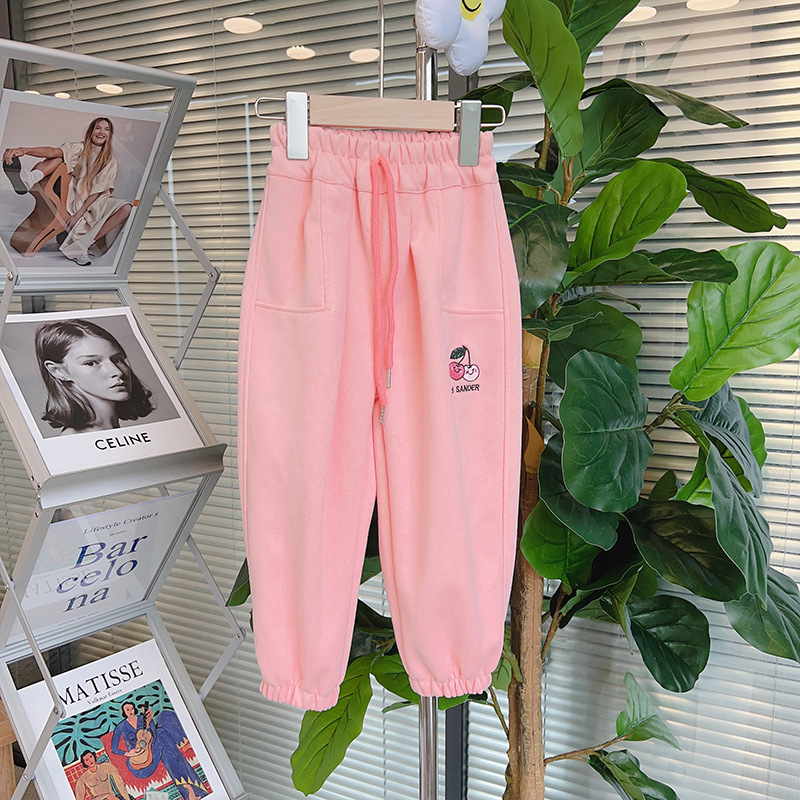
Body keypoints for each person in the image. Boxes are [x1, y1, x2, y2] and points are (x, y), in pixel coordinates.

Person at [2, 117, 132, 265]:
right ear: (91, 131)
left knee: (126, 208)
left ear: (110, 135)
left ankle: (84, 244)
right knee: (60, 156)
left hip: (96, 200)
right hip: (74, 195)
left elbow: (98, 191)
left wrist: (79, 214)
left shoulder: (110, 160)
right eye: (98, 128)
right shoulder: (80, 148)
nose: (101, 132)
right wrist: (24, 150)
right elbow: (52, 151)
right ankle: (29, 179)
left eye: (106, 129)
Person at [34, 318, 154, 435]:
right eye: (91, 363)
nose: (117, 372)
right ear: (58, 371)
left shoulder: (110, 431)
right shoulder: (75, 439)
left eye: (118, 360)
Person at [111, 701, 209, 800]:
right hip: (138, 763)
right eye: (127, 710)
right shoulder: (121, 726)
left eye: (132, 709)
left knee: (163, 724)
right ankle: (193, 789)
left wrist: (149, 724)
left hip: (153, 750)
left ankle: (189, 790)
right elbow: (114, 748)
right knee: (162, 735)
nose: (130, 711)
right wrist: (128, 753)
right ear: (124, 712)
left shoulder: (142, 719)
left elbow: (153, 735)